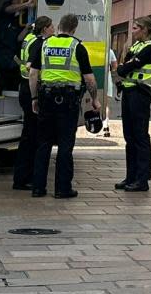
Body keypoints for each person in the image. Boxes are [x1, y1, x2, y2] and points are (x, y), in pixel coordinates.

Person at [29, 13, 99, 198]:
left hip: (46, 98)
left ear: (59, 26)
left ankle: (38, 188)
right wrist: (95, 99)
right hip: (68, 101)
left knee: (43, 144)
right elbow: (89, 79)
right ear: (74, 28)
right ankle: (62, 189)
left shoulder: (45, 44)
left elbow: (33, 74)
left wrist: (34, 98)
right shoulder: (77, 47)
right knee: (65, 145)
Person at [112, 16, 151, 192]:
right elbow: (123, 66)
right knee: (129, 137)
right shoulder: (136, 46)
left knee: (140, 136)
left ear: (145, 30)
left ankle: (142, 180)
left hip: (140, 94)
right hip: (128, 92)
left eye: (135, 28)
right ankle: (131, 177)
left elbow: (125, 68)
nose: (132, 31)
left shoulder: (150, 48)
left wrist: (125, 66)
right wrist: (124, 66)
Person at [12, 15, 54, 191]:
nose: (54, 30)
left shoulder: (28, 38)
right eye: (52, 27)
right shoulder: (39, 43)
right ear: (45, 29)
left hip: (24, 87)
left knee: (28, 135)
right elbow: (31, 66)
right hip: (31, 90)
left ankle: (21, 177)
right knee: (32, 136)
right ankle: (24, 178)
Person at [0, 0, 34, 96]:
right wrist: (27, 4)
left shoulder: (25, 17)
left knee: (15, 75)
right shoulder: (7, 8)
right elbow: (8, 10)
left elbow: (18, 38)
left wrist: (26, 29)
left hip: (11, 54)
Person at [102, 46, 117, 137]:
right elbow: (115, 66)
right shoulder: (109, 51)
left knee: (94, 103)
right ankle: (106, 124)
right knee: (106, 104)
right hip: (107, 79)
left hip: (94, 77)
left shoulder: (92, 48)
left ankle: (94, 126)